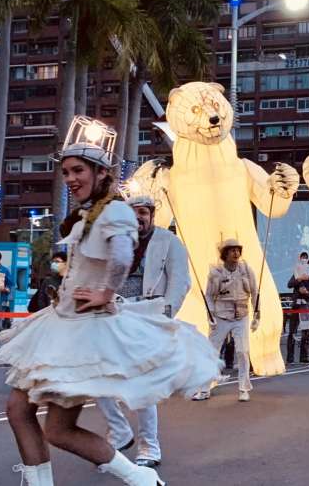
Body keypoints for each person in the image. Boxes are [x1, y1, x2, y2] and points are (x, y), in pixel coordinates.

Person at [0, 127, 220, 486]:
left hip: (80, 332)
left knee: (55, 428)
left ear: (101, 173)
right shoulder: (91, 212)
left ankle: (140, 477)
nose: (70, 178)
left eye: (78, 171)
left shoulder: (114, 211)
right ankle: (126, 479)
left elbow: (121, 255)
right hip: (62, 323)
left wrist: (105, 292)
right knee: (24, 414)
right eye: (66, 172)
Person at [96, 194, 191, 467]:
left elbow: (180, 281)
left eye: (143, 212)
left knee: (142, 383)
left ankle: (150, 446)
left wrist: (163, 314)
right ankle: (119, 429)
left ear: (152, 215)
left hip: (146, 316)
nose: (138, 217)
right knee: (95, 373)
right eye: (133, 212)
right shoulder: (115, 242)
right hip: (111, 314)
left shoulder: (168, 241)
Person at [193, 238, 259, 402]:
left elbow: (255, 293)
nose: (236, 253)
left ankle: (244, 388)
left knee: (243, 352)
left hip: (241, 316)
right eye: (232, 250)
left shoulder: (246, 270)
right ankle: (204, 389)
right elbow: (209, 295)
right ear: (225, 254)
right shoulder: (215, 273)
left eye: (238, 250)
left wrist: (257, 315)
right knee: (211, 352)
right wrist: (211, 316)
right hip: (221, 316)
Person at [286, 253, 309, 364]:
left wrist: (307, 293)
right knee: (292, 332)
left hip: (307, 307)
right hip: (296, 306)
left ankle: (303, 357)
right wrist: (299, 279)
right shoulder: (297, 274)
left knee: (306, 333)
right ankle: (290, 358)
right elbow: (289, 284)